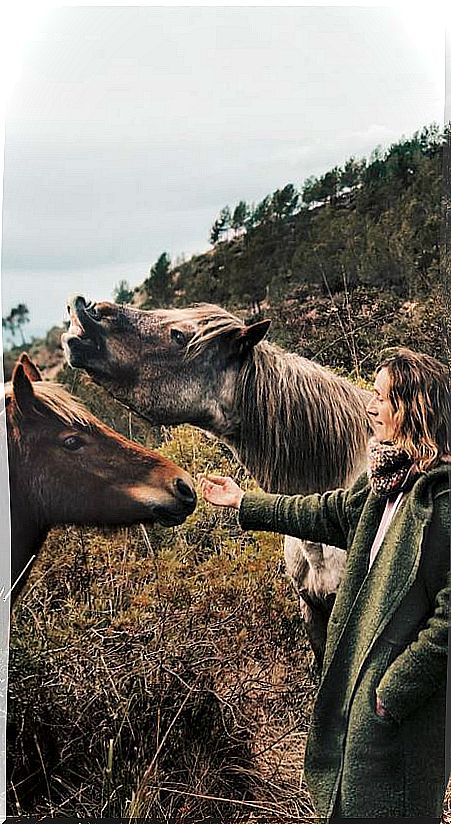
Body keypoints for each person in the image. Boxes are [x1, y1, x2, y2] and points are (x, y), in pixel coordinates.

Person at [198, 348, 450, 821]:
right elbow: (322, 512)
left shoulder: (443, 499)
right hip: (359, 691)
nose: (369, 407)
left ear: (411, 409)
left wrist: (394, 690)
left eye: (379, 397)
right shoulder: (384, 484)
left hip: (398, 706)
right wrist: (243, 502)